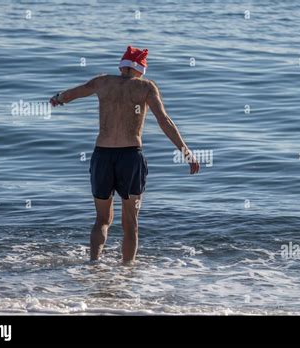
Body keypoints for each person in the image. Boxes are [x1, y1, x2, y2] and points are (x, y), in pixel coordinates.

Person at [50, 46, 200, 263]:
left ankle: (94, 264)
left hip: (102, 156)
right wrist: (186, 152)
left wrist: (58, 98)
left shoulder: (102, 82)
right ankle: (127, 272)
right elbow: (164, 121)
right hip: (130, 157)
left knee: (102, 219)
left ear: (121, 65)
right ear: (142, 69)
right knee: (130, 222)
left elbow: (73, 94)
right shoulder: (146, 88)